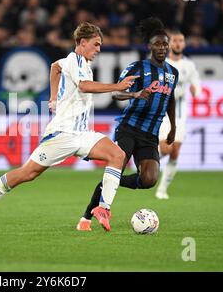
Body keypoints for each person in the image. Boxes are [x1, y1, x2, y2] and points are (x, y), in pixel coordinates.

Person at [0, 22, 138, 233]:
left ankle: (103, 208)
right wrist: (117, 87)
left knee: (117, 155)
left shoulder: (75, 62)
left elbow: (54, 67)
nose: (99, 49)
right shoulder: (75, 60)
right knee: (27, 174)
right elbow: (84, 86)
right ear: (82, 43)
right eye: (96, 44)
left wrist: (53, 97)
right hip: (62, 133)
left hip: (82, 133)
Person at [74, 17, 179, 231]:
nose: (162, 47)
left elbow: (171, 99)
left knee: (149, 179)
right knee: (117, 166)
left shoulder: (172, 73)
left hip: (150, 134)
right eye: (158, 44)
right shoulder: (138, 67)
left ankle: (112, 181)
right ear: (149, 46)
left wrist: (173, 126)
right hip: (129, 128)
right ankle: (86, 218)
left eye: (165, 44)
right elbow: (117, 94)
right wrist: (136, 93)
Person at [155, 30, 201, 199]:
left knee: (175, 152)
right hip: (164, 113)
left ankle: (162, 189)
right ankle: (144, 160)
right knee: (166, 149)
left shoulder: (189, 65)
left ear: (184, 44)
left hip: (181, 115)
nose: (178, 43)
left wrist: (196, 90)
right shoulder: (161, 64)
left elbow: (196, 83)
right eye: (175, 40)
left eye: (181, 40)